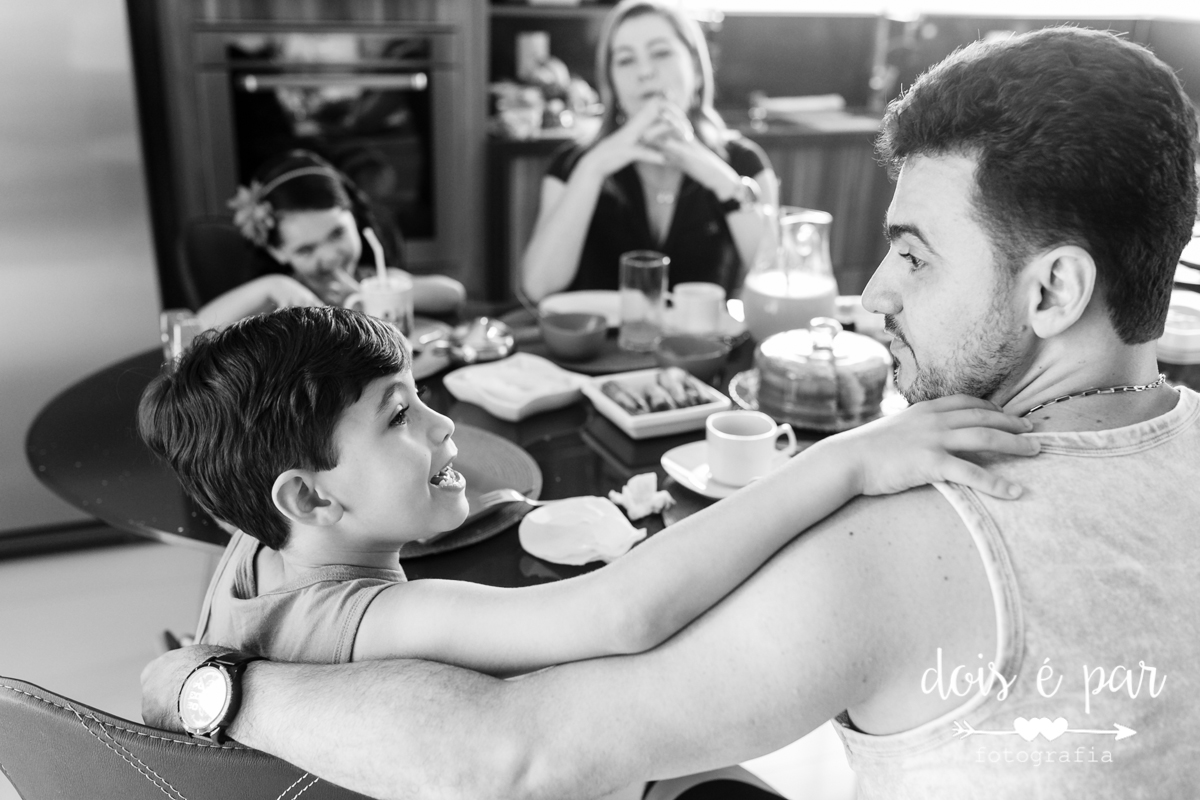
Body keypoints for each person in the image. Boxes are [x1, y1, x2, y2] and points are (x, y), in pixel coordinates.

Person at [143, 27, 1200, 798]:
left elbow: (518, 746)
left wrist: (206, 683)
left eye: (913, 255)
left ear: (1055, 290)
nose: (871, 291)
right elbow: (605, 629)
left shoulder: (903, 545)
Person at [138, 304, 1030, 670]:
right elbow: (621, 616)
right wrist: (848, 460)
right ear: (307, 498)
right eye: (399, 414)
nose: (443, 426)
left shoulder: (255, 543)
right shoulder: (370, 621)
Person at [520, 0, 779, 302]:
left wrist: (720, 179)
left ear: (696, 69)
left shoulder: (744, 163)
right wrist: (593, 168)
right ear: (612, 83)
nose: (644, 72)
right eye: (626, 60)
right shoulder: (572, 163)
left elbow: (777, 286)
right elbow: (537, 287)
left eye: (661, 53)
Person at [194, 150, 465, 330]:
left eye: (337, 234)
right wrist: (270, 285)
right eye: (306, 250)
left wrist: (372, 296)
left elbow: (452, 295)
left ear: (354, 218)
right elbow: (194, 331)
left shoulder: (372, 280)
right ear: (277, 252)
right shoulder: (277, 301)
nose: (330, 256)